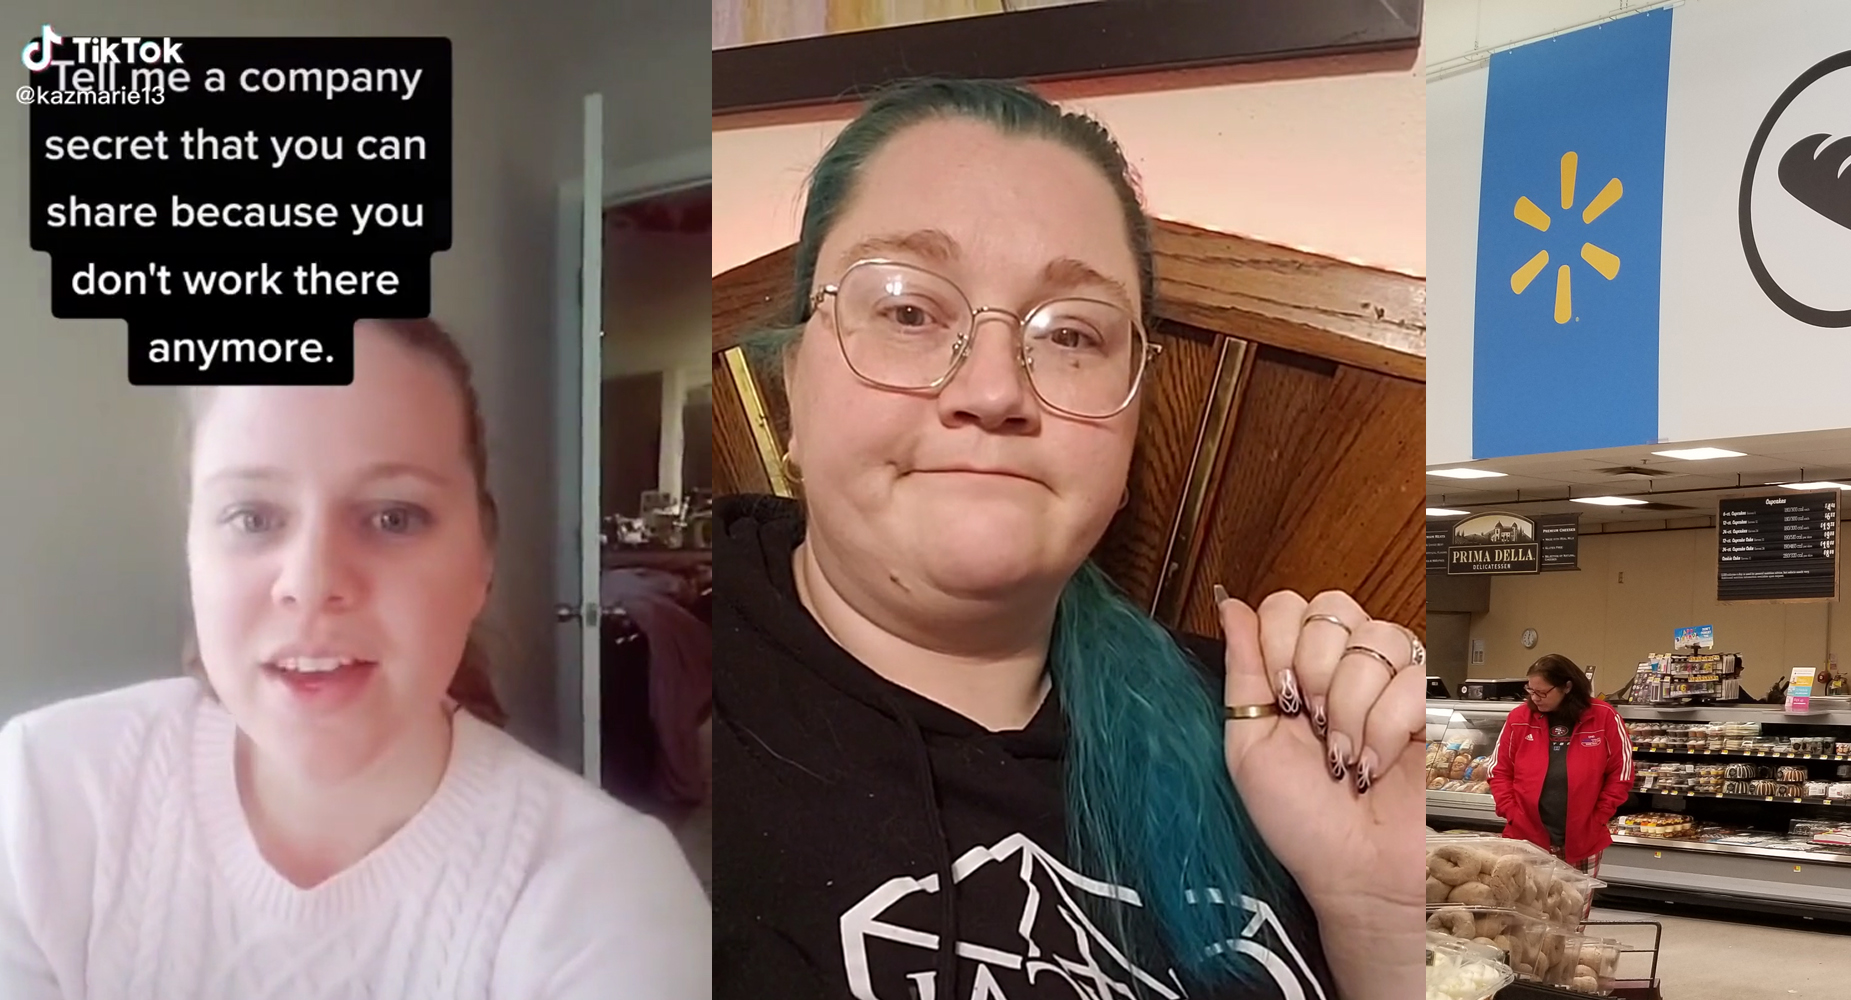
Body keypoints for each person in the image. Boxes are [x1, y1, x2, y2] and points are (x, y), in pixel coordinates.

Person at [715, 78, 1425, 1000]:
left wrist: (1380, 919)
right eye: (907, 310)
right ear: (791, 393)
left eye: (1073, 335)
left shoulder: (1269, 734)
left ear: (1131, 435)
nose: (997, 390)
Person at [0, 320, 711, 998]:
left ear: (481, 561)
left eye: (392, 516)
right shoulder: (42, 797)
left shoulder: (608, 894)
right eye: (252, 516)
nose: (311, 584)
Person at [1488, 654, 1635, 874]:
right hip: (1525, 838)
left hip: (1584, 838)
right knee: (1527, 906)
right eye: (1530, 690)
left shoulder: (1604, 716)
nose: (1535, 698)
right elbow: (1498, 770)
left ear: (1567, 687)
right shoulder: (1519, 718)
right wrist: (1511, 811)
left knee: (1575, 906)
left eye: (1542, 692)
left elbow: (1621, 772)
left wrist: (1599, 816)